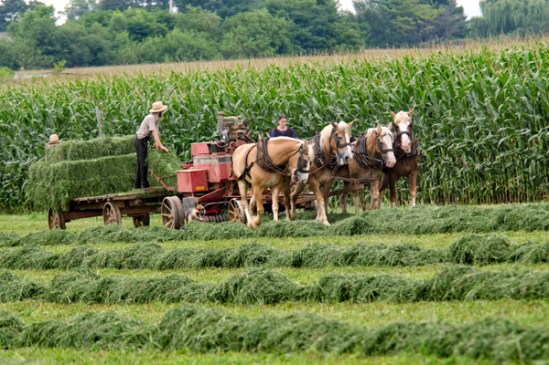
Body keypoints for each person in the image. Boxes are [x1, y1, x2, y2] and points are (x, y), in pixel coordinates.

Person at [135, 101, 169, 189]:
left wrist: (156, 142)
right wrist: (160, 145)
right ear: (159, 111)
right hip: (140, 140)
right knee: (143, 163)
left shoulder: (156, 118)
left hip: (145, 140)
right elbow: (153, 132)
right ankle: (144, 185)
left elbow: (155, 131)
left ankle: (137, 185)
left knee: (141, 163)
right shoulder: (150, 117)